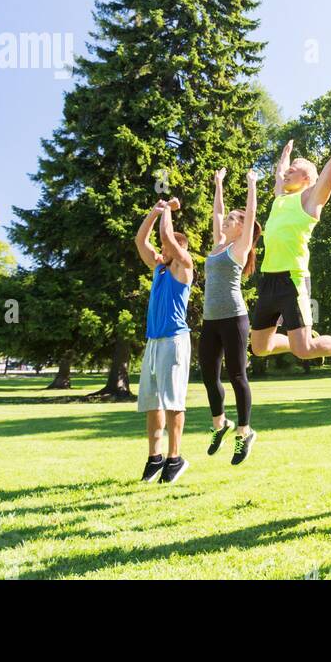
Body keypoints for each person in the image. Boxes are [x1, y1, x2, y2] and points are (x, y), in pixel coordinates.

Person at [249, 106, 331, 376]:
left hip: (292, 279)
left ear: (308, 179)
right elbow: (279, 175)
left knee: (304, 350)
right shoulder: (280, 199)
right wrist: (285, 159)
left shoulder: (310, 200)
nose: (286, 174)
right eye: (287, 172)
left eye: (293, 171)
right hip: (268, 279)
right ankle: (307, 338)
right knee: (259, 347)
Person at [202, 167, 262, 466]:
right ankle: (219, 424)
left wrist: (251, 185)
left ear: (241, 229)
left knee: (238, 376)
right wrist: (218, 185)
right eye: (226, 220)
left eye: (230, 221)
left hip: (234, 318)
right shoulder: (217, 245)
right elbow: (217, 212)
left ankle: (244, 432)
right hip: (211, 320)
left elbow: (250, 216)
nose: (225, 221)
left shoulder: (239, 248)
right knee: (208, 375)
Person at [134, 197, 195, 484]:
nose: (163, 250)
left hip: (174, 341)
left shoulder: (185, 266)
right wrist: (156, 210)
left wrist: (169, 211)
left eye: (168, 248)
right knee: (152, 402)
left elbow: (165, 236)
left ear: (179, 250)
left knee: (173, 401)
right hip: (154, 342)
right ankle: (155, 458)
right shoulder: (159, 269)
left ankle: (175, 458)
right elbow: (140, 240)